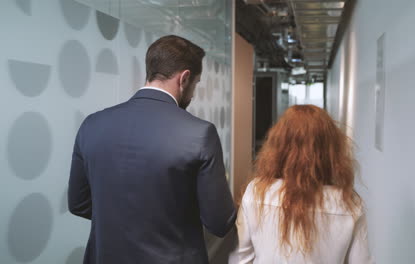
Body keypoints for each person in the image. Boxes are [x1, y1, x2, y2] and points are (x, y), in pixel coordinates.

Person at [68, 35, 236, 264]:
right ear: (184, 78)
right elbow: (219, 222)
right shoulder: (199, 133)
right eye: (196, 84)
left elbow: (78, 203)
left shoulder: (92, 124)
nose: (194, 94)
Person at [229, 105, 374, 264]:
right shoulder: (349, 203)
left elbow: (243, 259)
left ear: (279, 145)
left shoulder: (256, 192)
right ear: (330, 151)